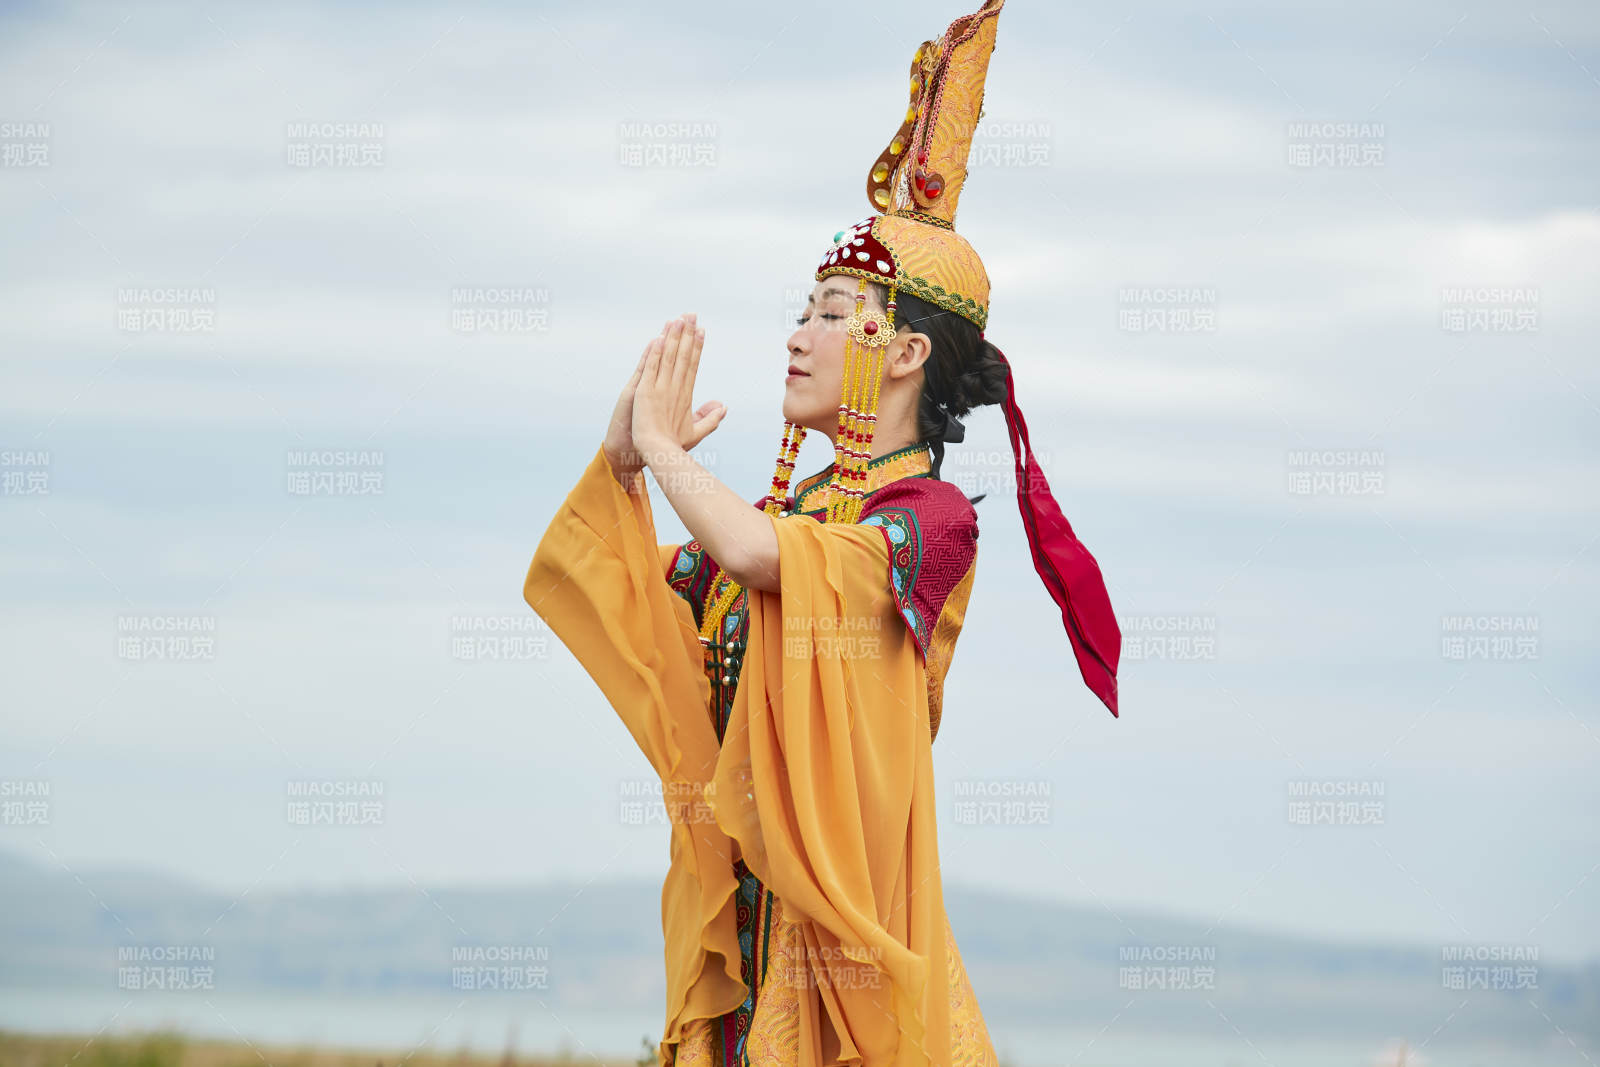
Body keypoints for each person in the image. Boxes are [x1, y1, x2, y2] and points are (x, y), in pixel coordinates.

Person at [522, 1, 1120, 1062]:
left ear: (902, 355)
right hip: (756, 938)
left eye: (834, 311)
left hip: (844, 934)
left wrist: (667, 452)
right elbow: (636, 599)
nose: (798, 334)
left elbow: (760, 560)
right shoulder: (793, 518)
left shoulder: (925, 523)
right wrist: (622, 464)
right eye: (805, 306)